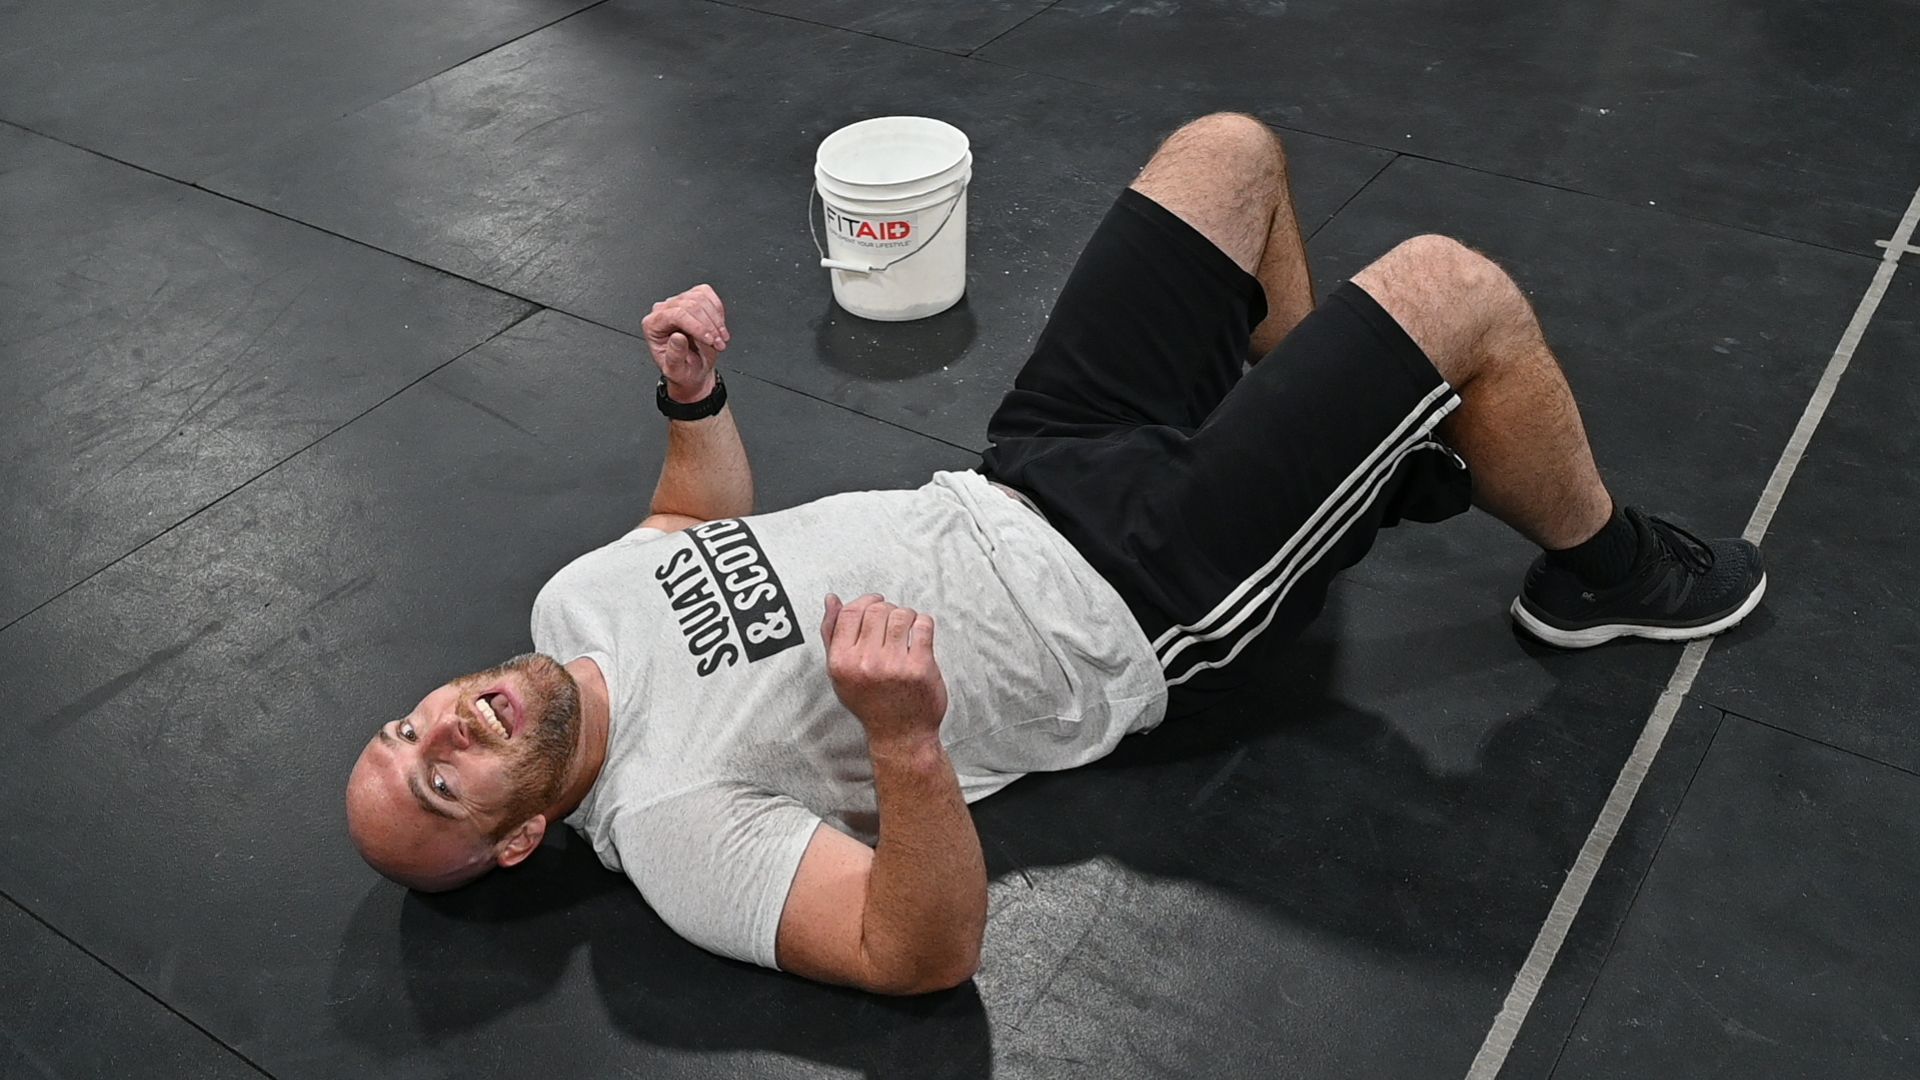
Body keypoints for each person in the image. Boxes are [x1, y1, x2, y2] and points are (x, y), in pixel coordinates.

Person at [344, 113, 1764, 995]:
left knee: (1229, 157)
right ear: (519, 836)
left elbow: (688, 525)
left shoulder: (567, 604)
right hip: (1125, 604)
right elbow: (921, 956)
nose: (442, 728)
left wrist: (695, 398)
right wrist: (904, 742)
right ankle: (1614, 574)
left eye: (406, 729)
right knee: (1457, 295)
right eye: (444, 781)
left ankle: (1327, 446)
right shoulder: (668, 831)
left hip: (1024, 472)